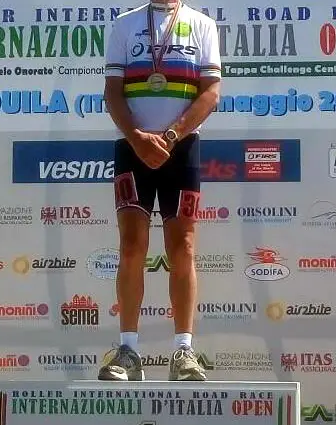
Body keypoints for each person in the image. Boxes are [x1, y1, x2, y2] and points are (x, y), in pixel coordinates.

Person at [98, 0, 221, 381]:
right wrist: (137, 138)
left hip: (181, 148)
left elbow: (211, 91)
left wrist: (170, 136)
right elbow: (113, 91)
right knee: (131, 245)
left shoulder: (201, 24)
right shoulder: (125, 24)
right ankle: (128, 351)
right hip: (131, 146)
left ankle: (184, 351)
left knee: (183, 246)